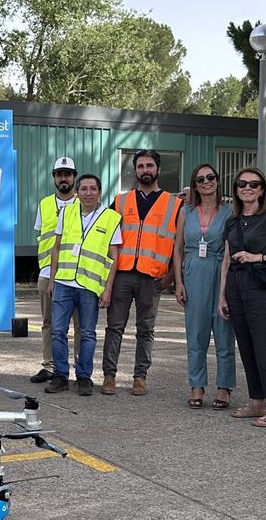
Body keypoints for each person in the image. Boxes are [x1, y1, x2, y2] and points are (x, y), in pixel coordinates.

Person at [219, 167, 266, 428]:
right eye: (242, 184)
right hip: (236, 286)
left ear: (262, 189)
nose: (247, 188)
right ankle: (257, 401)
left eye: (254, 184)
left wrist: (259, 257)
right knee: (247, 346)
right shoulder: (232, 221)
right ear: (236, 190)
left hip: (259, 286)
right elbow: (227, 259)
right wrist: (222, 296)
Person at [102, 149, 181, 396]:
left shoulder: (174, 203)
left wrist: (171, 277)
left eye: (149, 166)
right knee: (115, 327)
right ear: (134, 170)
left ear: (157, 169)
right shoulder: (121, 201)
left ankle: (140, 377)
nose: (145, 170)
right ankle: (109, 376)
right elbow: (109, 239)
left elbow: (179, 244)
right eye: (140, 166)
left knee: (145, 330)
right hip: (123, 273)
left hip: (152, 276)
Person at [46, 174, 121, 396]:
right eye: (84, 189)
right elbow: (57, 247)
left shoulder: (111, 218)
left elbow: (114, 256)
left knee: (87, 333)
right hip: (63, 282)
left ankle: (84, 377)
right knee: (58, 331)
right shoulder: (67, 212)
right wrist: (52, 279)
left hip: (89, 286)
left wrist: (107, 288)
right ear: (77, 192)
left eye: (93, 189)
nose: (88, 193)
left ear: (100, 192)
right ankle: (60, 375)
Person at [172, 163, 236, 411]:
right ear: (195, 184)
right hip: (193, 271)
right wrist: (178, 282)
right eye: (200, 179)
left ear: (218, 181)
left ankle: (224, 386)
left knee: (223, 331)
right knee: (196, 332)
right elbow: (177, 249)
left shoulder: (230, 211)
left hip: (221, 269)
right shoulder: (186, 212)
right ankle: (196, 385)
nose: (206, 182)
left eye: (211, 177)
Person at [31, 156, 82, 384]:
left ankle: (81, 368)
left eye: (68, 174)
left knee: (81, 325)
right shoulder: (44, 204)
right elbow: (41, 236)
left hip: (77, 273)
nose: (64, 178)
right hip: (47, 273)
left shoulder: (84, 203)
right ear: (54, 177)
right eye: (60, 174)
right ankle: (49, 366)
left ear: (74, 177)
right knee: (49, 324)